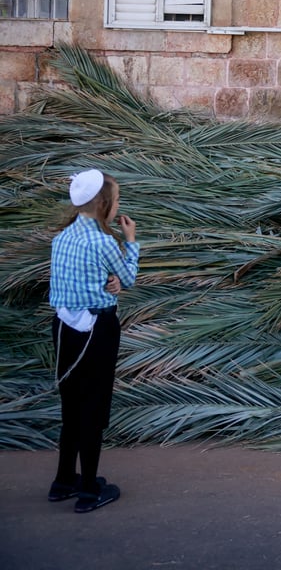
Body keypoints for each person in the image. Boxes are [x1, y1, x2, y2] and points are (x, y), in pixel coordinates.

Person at [47, 169, 139, 513]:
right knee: (94, 405)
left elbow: (77, 280)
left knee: (71, 404)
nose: (118, 208)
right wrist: (130, 242)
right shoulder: (104, 242)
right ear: (103, 205)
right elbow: (128, 278)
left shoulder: (63, 239)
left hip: (63, 327)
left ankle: (63, 481)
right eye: (116, 202)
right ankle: (88, 490)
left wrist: (108, 280)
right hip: (97, 328)